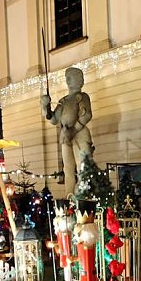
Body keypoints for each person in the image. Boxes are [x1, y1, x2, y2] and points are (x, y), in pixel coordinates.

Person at [40, 67, 93, 195]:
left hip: (80, 133)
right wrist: (45, 107)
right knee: (67, 169)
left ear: (79, 79)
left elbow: (86, 115)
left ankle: (83, 196)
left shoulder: (82, 97)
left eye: (70, 77)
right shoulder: (63, 101)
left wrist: (74, 130)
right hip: (65, 135)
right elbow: (54, 119)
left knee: (83, 167)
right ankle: (70, 196)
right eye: (67, 77)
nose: (67, 80)